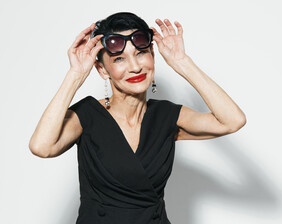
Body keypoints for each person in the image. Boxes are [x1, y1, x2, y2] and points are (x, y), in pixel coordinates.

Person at [29, 12, 246, 224]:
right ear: (103, 70)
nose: (135, 67)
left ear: (152, 55)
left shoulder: (166, 116)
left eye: (141, 53)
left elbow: (232, 120)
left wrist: (182, 62)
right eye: (119, 59)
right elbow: (42, 147)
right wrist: (75, 75)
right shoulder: (87, 115)